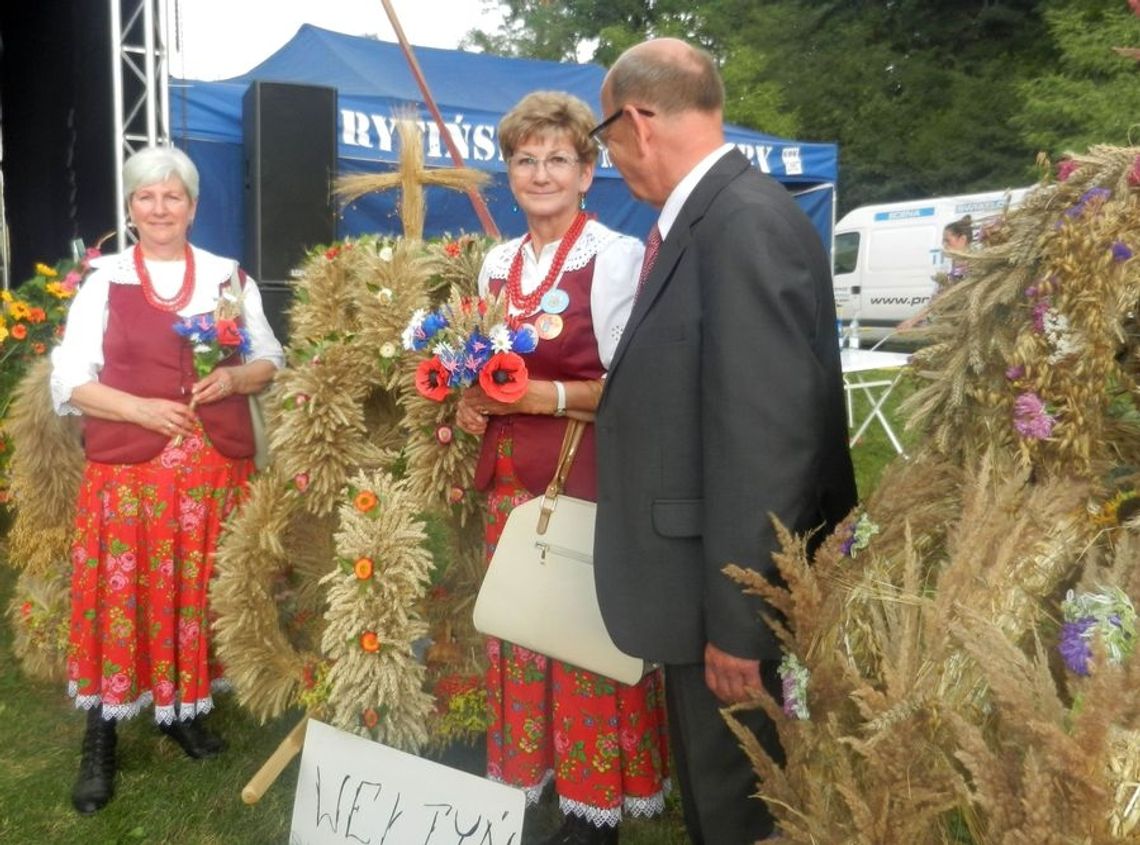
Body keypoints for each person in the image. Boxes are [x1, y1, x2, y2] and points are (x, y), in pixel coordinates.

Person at [591, 39, 857, 843]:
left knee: (739, 807)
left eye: (606, 140)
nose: (614, 160)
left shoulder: (739, 223)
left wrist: (741, 622)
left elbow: (766, 437)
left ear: (637, 122)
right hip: (697, 583)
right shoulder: (719, 216)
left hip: (729, 601)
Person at [456, 91, 669, 845]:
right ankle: (540, 783)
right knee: (521, 631)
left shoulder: (611, 257)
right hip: (509, 486)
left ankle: (593, 814)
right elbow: (482, 365)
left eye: (558, 159)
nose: (540, 172)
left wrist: (542, 394)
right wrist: (470, 404)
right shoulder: (498, 261)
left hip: (583, 485)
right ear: (509, 171)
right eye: (525, 159)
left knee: (581, 643)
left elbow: (637, 386)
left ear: (588, 172)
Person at [50, 145, 285, 814]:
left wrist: (238, 376)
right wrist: (138, 407)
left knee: (192, 591)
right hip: (130, 474)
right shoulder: (105, 281)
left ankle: (180, 709)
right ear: (130, 208)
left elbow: (270, 354)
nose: (159, 207)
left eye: (172, 195)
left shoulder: (225, 277)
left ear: (193, 205)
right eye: (146, 197)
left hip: (213, 473)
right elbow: (69, 379)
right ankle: (103, 732)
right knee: (121, 597)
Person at [896, 215, 973, 331]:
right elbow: (936, 300)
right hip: (951, 325)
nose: (944, 244)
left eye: (947, 240)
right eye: (943, 240)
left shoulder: (978, 266)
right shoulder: (947, 269)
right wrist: (914, 321)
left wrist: (913, 321)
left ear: (962, 239)